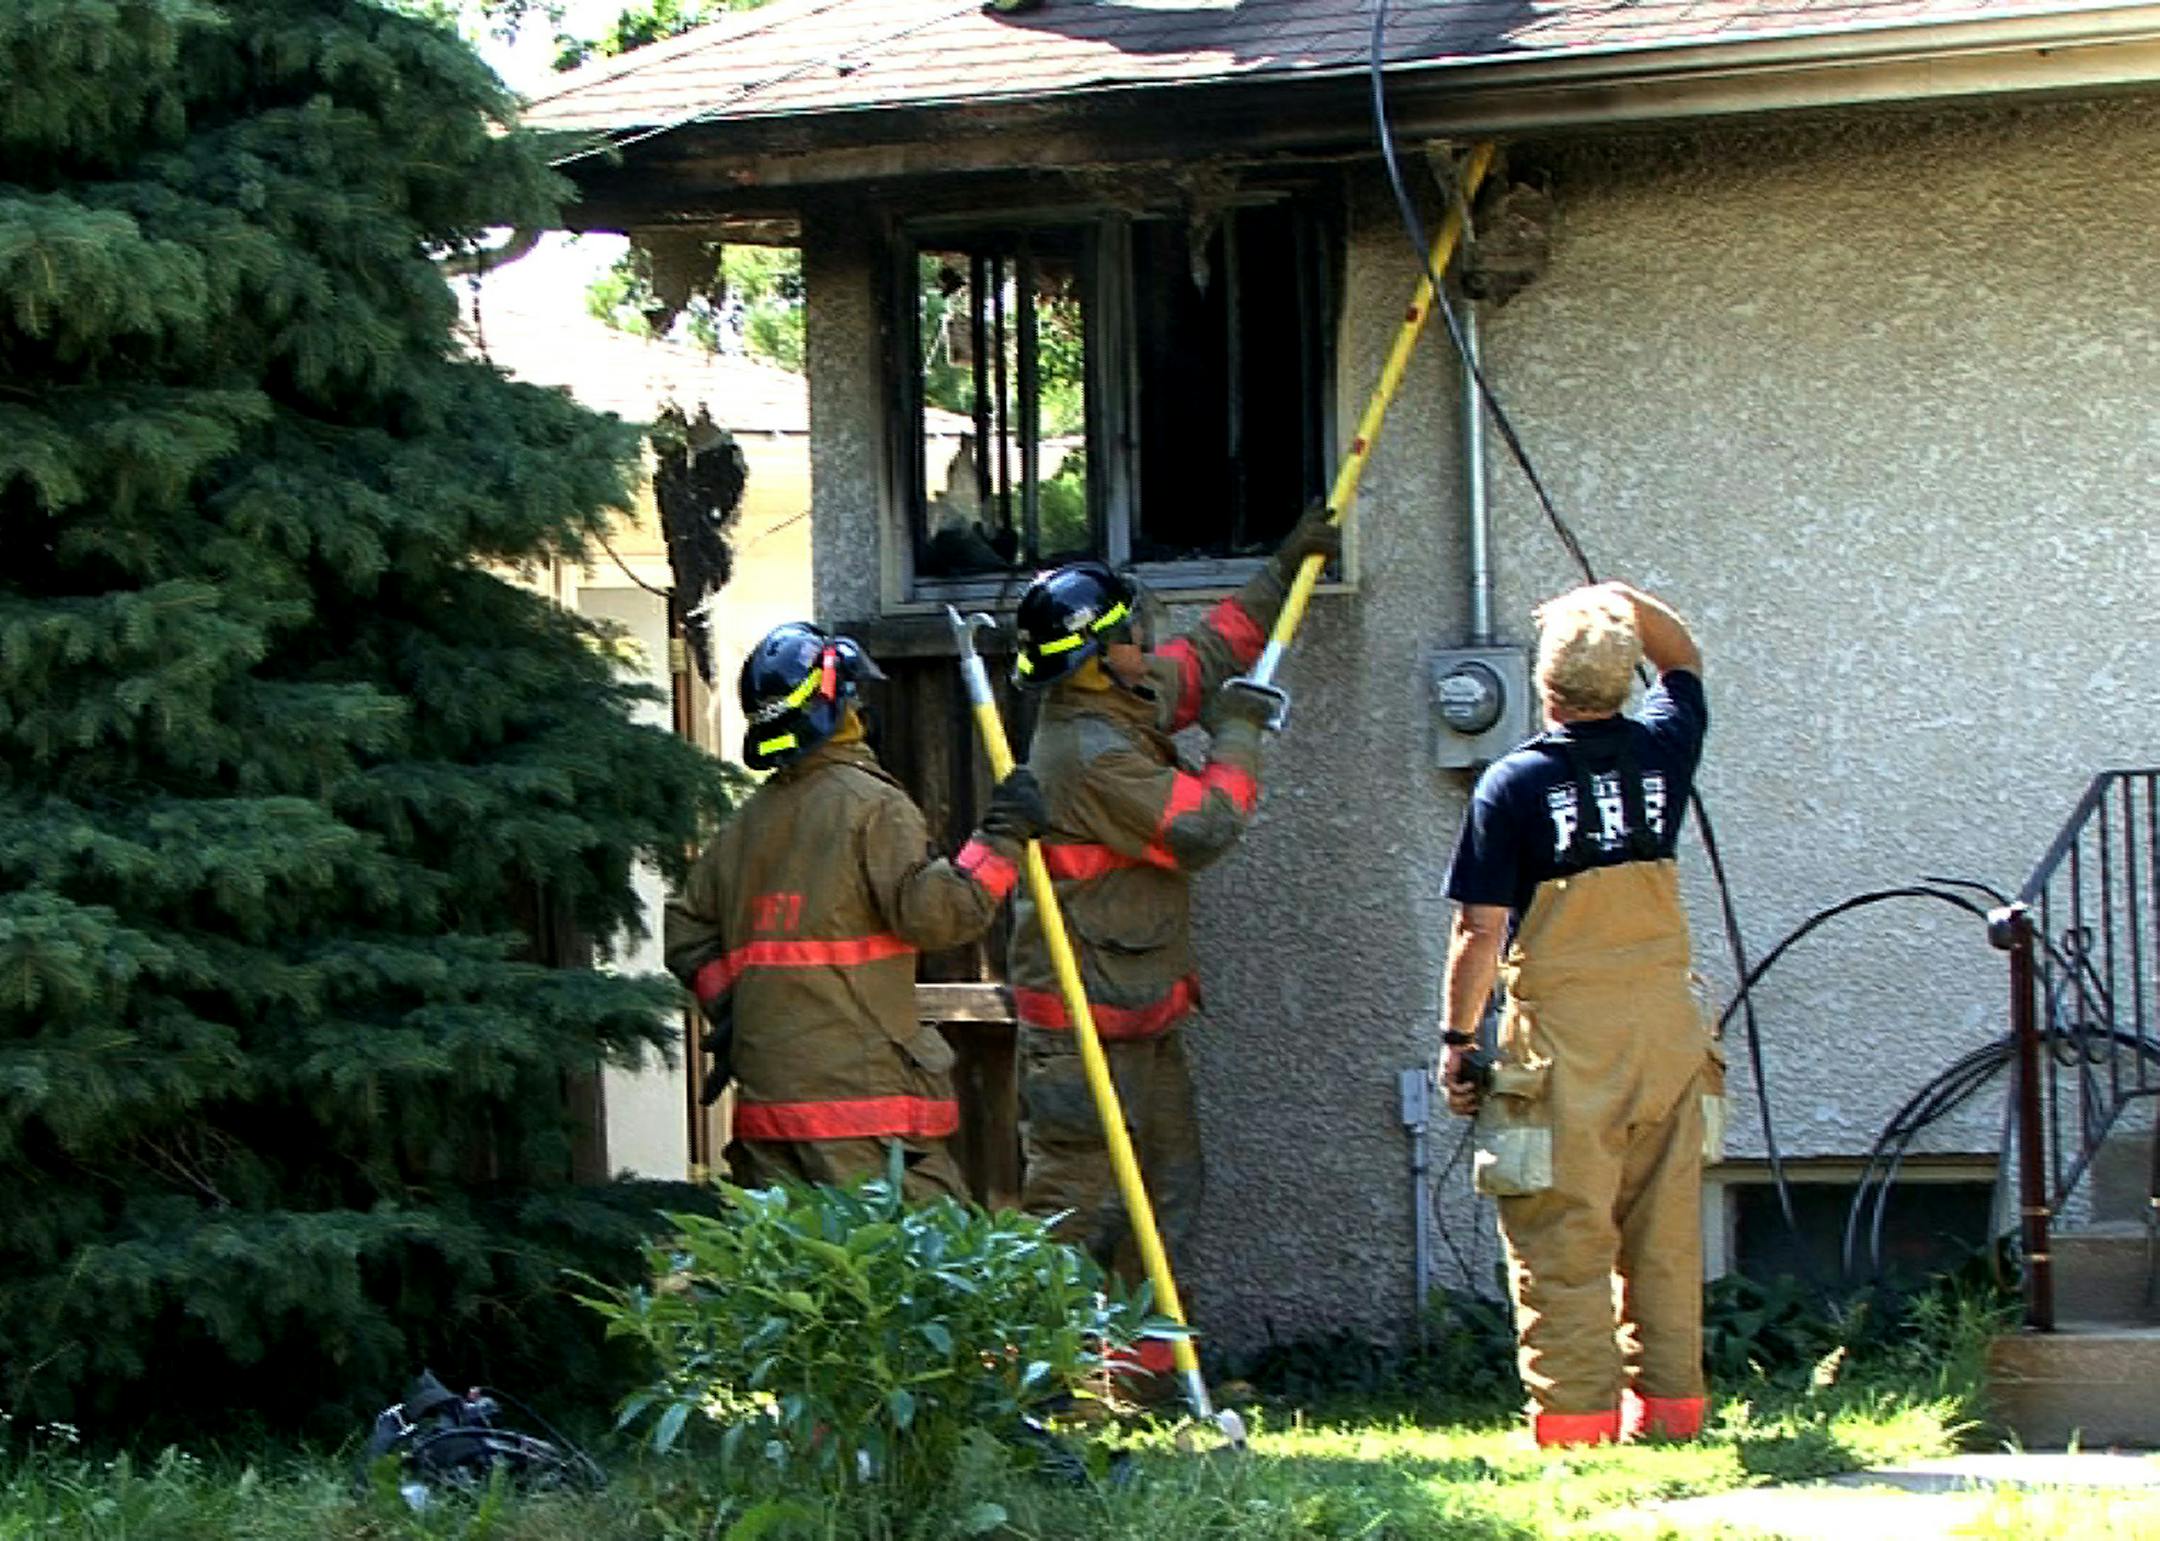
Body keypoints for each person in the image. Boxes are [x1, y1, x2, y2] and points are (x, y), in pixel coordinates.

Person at [1005, 508, 1339, 1388]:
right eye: (1128, 631)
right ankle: (1053, 1390)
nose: (1145, 639)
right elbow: (1203, 826)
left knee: (1166, 1194)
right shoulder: (1084, 750)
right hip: (1084, 1029)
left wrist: (1286, 561)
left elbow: (1207, 656)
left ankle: (1144, 1379)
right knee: (1079, 1214)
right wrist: (1239, 731)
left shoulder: (1116, 694)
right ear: (1095, 652)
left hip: (1138, 1016)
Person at [1437, 581, 1713, 1449]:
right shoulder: (1668, 748)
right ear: (1625, 679)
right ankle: (1673, 1411)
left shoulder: (1513, 781)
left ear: (1542, 685)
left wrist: (1457, 1040)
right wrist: (1621, 600)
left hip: (1565, 1039)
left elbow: (1478, 928)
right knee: (1663, 1233)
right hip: (1668, 1028)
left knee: (1562, 1230)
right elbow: (1686, 659)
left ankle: (1576, 1424)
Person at [666, 621, 1048, 1202]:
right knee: (906, 1275)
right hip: (863, 1118)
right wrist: (1001, 839)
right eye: (853, 696)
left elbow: (686, 928)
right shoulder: (873, 807)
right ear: (835, 705)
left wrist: (733, 1009)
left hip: (769, 1114)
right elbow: (938, 916)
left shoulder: (745, 826)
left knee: (801, 1278)